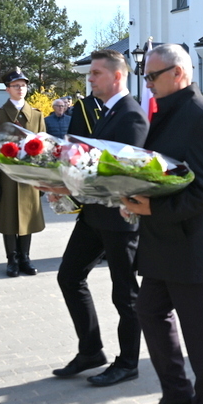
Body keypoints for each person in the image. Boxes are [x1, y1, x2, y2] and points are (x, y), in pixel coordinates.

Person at [121, 44, 203, 404]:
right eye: (145, 77)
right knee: (149, 311)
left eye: (152, 76)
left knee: (200, 332)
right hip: (165, 242)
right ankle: (177, 393)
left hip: (194, 245)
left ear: (178, 73)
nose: (147, 83)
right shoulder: (168, 111)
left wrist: (153, 208)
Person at [53, 49, 150, 386]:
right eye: (90, 73)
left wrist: (69, 184)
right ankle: (91, 351)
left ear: (117, 76)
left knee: (125, 294)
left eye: (96, 73)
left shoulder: (132, 116)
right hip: (95, 215)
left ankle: (128, 363)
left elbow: (122, 174)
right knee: (69, 276)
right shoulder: (107, 111)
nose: (90, 79)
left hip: (119, 217)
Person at [0, 68, 46, 277]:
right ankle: (12, 259)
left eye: (23, 85)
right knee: (8, 218)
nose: (20, 89)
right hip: (7, 175)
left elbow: (44, 147)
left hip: (29, 175)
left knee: (28, 216)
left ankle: (25, 258)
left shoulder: (36, 115)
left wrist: (43, 177)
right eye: (16, 85)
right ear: (7, 89)